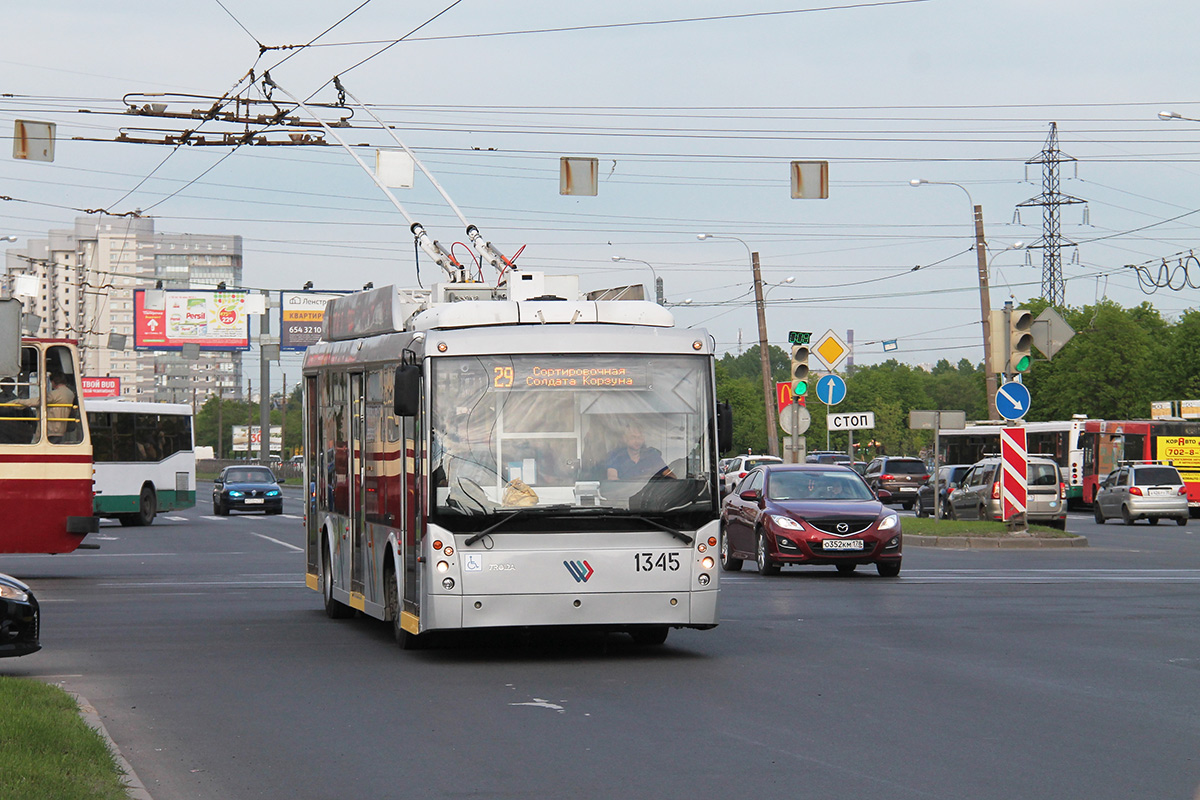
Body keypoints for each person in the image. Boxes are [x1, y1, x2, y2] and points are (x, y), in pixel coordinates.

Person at [606, 423, 674, 481]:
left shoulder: (652, 454)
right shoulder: (616, 456)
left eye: (640, 437)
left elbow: (670, 475)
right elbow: (612, 478)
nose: (637, 441)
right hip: (625, 492)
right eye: (633, 437)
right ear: (625, 438)